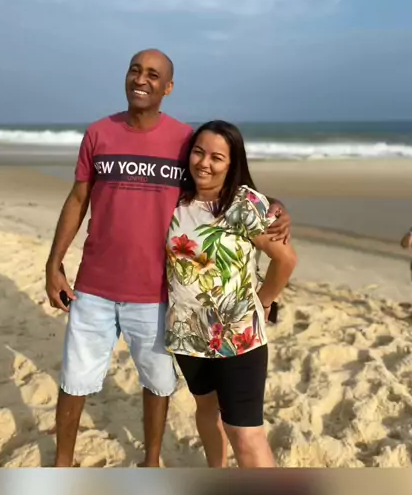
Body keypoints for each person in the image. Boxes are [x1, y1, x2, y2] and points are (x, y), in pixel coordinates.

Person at [45, 50, 292, 468]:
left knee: (160, 384)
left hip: (157, 294)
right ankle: (62, 466)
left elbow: (223, 180)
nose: (141, 79)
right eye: (135, 70)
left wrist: (276, 207)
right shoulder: (99, 133)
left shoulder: (183, 141)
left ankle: (152, 461)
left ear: (168, 87)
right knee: (76, 380)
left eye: (153, 74)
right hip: (101, 287)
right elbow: (78, 198)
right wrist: (54, 264)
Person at [165, 120, 297, 468]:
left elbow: (285, 259)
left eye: (217, 157)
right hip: (187, 334)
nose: (204, 163)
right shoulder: (175, 201)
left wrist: (264, 301)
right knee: (206, 410)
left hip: (239, 338)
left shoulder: (243, 203)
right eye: (198, 152)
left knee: (245, 433)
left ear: (231, 162)